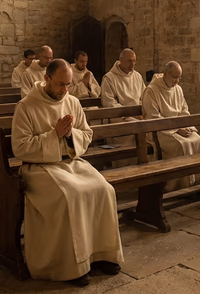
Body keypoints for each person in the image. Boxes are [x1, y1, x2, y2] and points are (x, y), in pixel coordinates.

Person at [12, 59, 123, 286]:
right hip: (39, 168)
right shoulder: (26, 106)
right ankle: (72, 266)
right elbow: (20, 147)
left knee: (104, 189)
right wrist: (54, 135)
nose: (65, 91)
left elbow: (87, 133)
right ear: (46, 79)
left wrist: (71, 135)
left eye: (69, 85)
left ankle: (101, 255)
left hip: (70, 162)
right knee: (69, 195)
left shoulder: (72, 102)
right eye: (60, 85)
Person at [141, 61, 200, 191]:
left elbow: (184, 110)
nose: (177, 81)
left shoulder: (177, 89)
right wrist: (177, 129)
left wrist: (187, 126)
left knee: (199, 141)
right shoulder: (151, 91)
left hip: (178, 128)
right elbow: (153, 118)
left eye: (179, 77)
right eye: (174, 77)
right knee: (180, 145)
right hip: (160, 130)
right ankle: (180, 187)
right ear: (165, 74)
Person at [101, 49, 145, 114]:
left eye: (134, 61)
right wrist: (129, 114)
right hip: (120, 116)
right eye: (130, 61)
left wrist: (142, 112)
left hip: (138, 113)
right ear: (121, 60)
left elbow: (144, 97)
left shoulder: (137, 76)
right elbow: (109, 103)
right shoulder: (109, 78)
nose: (133, 64)